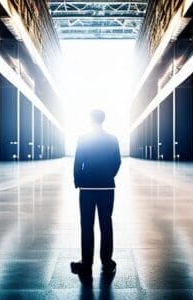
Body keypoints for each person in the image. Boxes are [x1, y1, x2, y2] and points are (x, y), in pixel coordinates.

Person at [71, 109, 121, 278]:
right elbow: (117, 161)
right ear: (103, 120)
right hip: (106, 187)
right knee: (106, 224)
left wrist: (79, 181)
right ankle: (107, 261)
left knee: (87, 225)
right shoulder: (112, 139)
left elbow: (78, 162)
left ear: (90, 120)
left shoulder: (83, 138)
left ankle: (86, 263)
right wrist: (108, 175)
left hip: (87, 187)